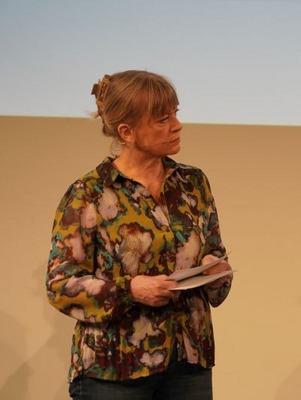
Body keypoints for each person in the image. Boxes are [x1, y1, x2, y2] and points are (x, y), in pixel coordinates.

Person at [46, 70, 233, 399]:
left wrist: (215, 271)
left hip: (188, 361)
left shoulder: (192, 184)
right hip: (114, 369)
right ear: (126, 132)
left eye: (176, 113)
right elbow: (60, 284)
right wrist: (129, 290)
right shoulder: (89, 193)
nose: (177, 125)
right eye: (163, 119)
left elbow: (215, 261)